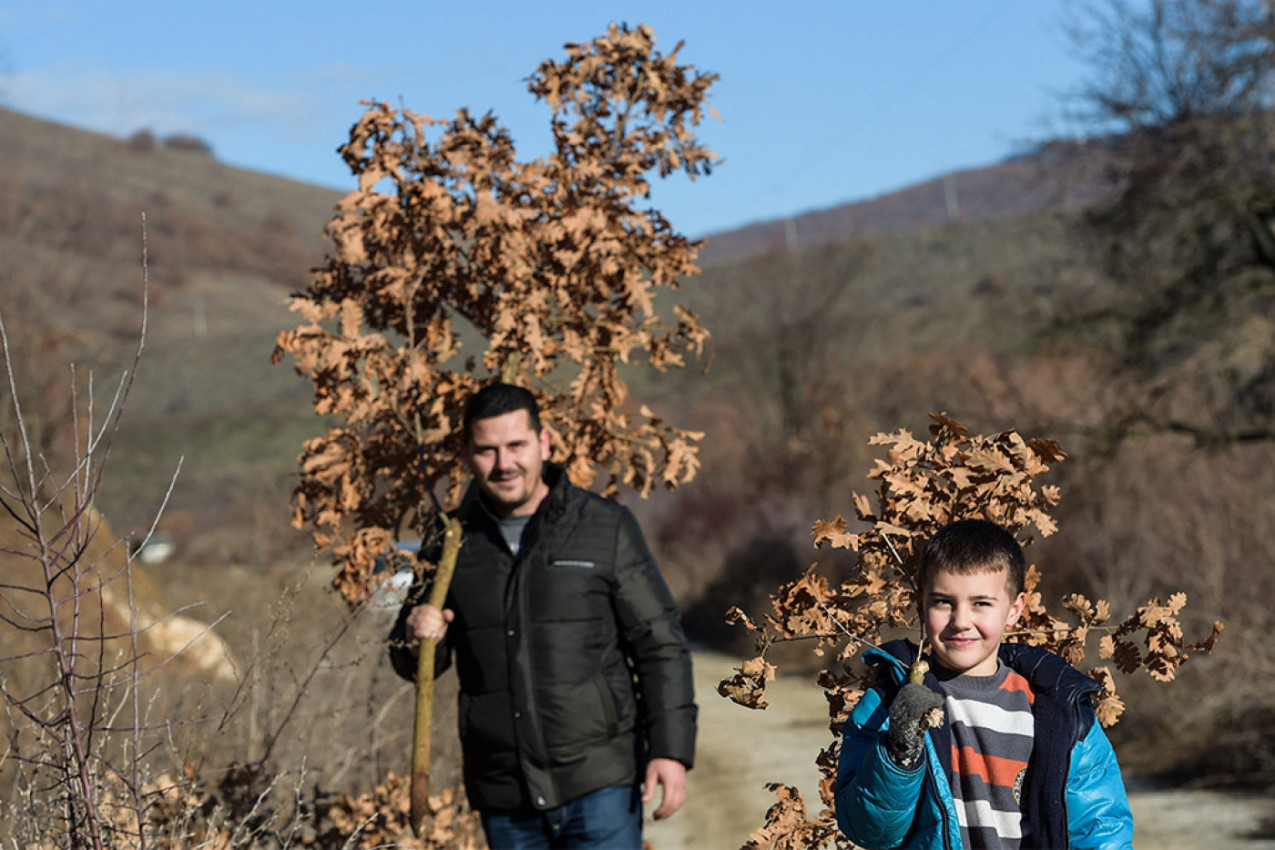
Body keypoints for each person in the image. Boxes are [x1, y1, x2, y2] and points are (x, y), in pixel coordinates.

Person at [389, 382, 696, 849]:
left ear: (544, 442)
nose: (504, 463)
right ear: (468, 455)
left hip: (601, 783)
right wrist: (414, 637)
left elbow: (660, 644)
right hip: (504, 792)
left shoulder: (603, 527)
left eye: (516, 446)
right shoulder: (449, 540)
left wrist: (671, 752)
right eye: (487, 451)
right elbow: (416, 661)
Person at [834, 518, 1134, 850]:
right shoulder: (889, 704)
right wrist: (899, 752)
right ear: (920, 604)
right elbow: (870, 831)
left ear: (1014, 609)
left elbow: (1101, 829)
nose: (961, 621)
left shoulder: (1061, 712)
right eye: (943, 602)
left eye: (981, 603)